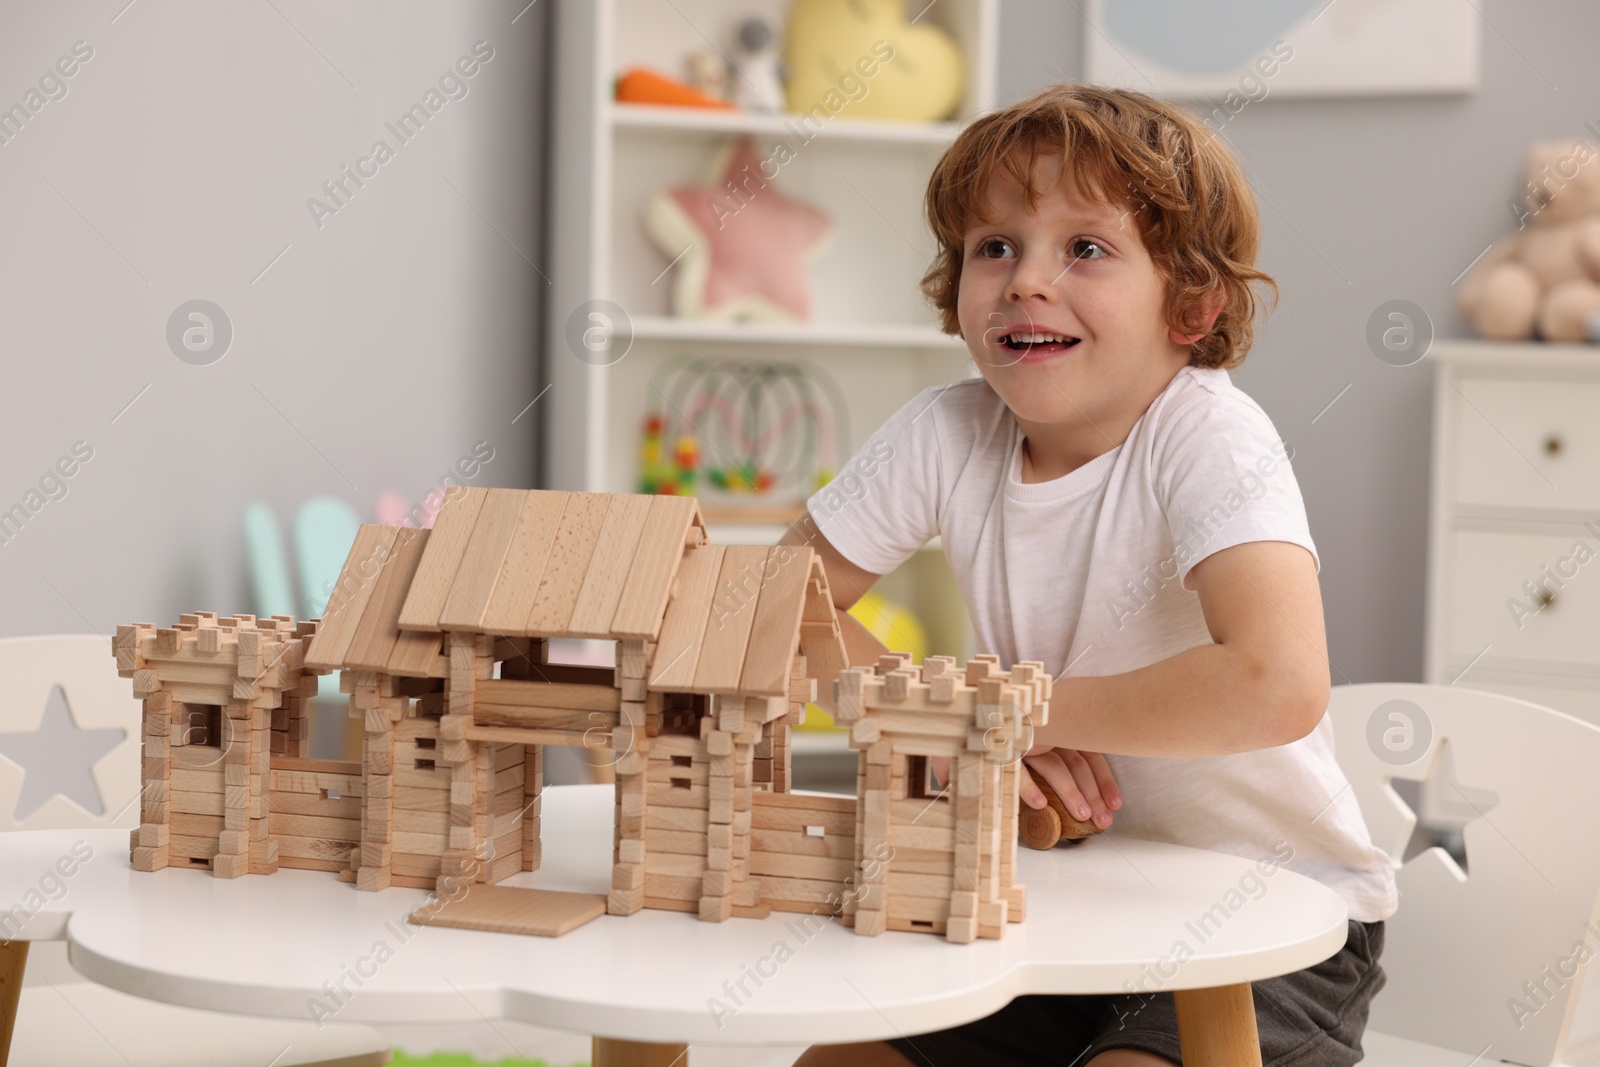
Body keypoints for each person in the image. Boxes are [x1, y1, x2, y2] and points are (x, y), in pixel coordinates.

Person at [782, 83, 1397, 1067]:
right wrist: (952, 713)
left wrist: (1022, 711)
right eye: (994, 246)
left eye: (1085, 248)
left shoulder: (1208, 433)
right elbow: (770, 604)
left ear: (1192, 304)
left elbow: (1275, 683)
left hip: (1270, 914)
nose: (1025, 279)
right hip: (1072, 893)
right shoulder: (945, 429)